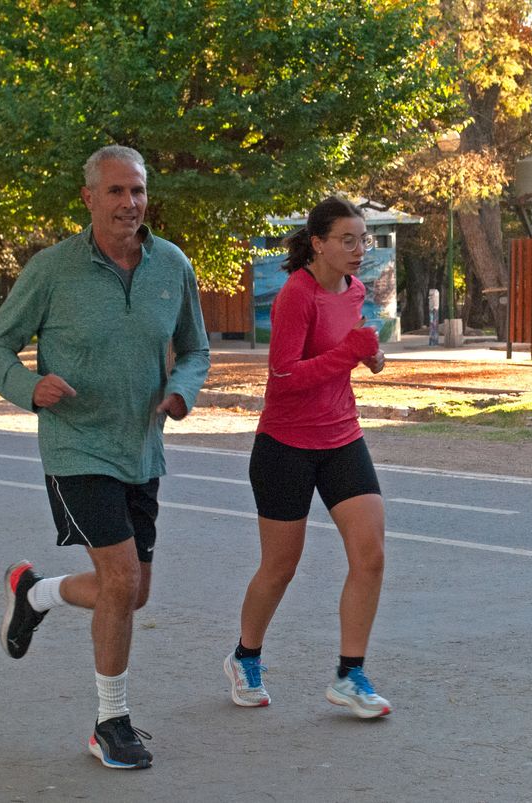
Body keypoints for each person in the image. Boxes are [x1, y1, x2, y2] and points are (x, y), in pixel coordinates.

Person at [0, 144, 210, 770]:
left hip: (142, 448)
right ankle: (111, 721)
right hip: (76, 446)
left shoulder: (172, 265)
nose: (129, 203)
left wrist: (182, 391)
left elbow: (194, 348)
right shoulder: (53, 269)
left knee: (133, 592)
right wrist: (29, 388)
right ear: (88, 198)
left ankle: (35, 594)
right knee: (122, 578)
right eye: (115, 191)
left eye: (137, 190)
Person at [224, 196, 391, 718]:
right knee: (280, 567)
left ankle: (350, 674)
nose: (358, 249)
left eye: (363, 239)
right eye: (347, 239)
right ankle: (245, 656)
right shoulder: (296, 295)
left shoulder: (355, 289)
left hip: (342, 437)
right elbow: (285, 376)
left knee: (371, 555)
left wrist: (370, 355)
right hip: (286, 446)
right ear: (318, 243)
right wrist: (349, 353)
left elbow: (350, 351)